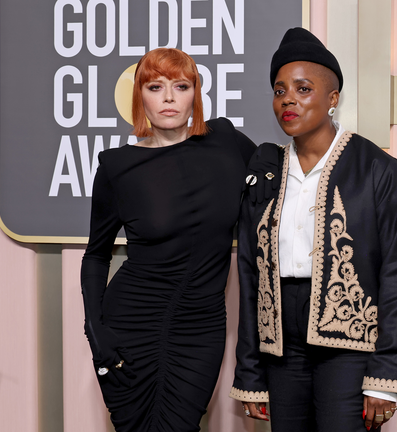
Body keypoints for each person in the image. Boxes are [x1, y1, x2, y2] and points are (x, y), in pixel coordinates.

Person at [229, 28, 397, 431]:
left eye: (303, 88)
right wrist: (250, 372)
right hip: (281, 346)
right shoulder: (265, 172)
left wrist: (385, 376)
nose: (288, 101)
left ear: (333, 99)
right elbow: (249, 272)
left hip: (349, 345)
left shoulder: (376, 169)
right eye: (280, 91)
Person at [80, 48, 257, 432]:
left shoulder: (227, 142)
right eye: (155, 86)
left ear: (196, 93)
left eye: (181, 85)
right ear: (140, 96)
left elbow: (279, 183)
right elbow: (96, 256)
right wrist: (96, 330)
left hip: (202, 329)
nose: (169, 97)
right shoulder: (117, 166)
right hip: (130, 326)